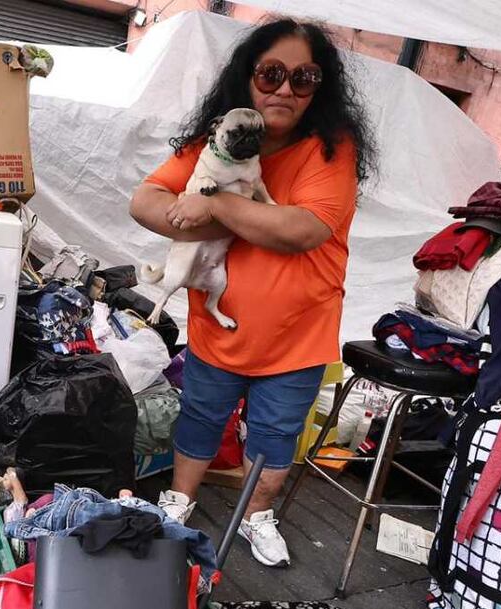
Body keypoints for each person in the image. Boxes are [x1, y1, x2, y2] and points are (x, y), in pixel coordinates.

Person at [129, 19, 375, 567]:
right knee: (199, 417)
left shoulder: (331, 151)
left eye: (304, 77)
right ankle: (179, 500)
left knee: (276, 433)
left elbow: (302, 231)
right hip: (219, 327)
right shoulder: (210, 143)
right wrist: (215, 216)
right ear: (248, 79)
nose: (285, 88)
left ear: (320, 87)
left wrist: (213, 206)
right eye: (272, 73)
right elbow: (145, 201)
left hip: (297, 337)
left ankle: (258, 515)